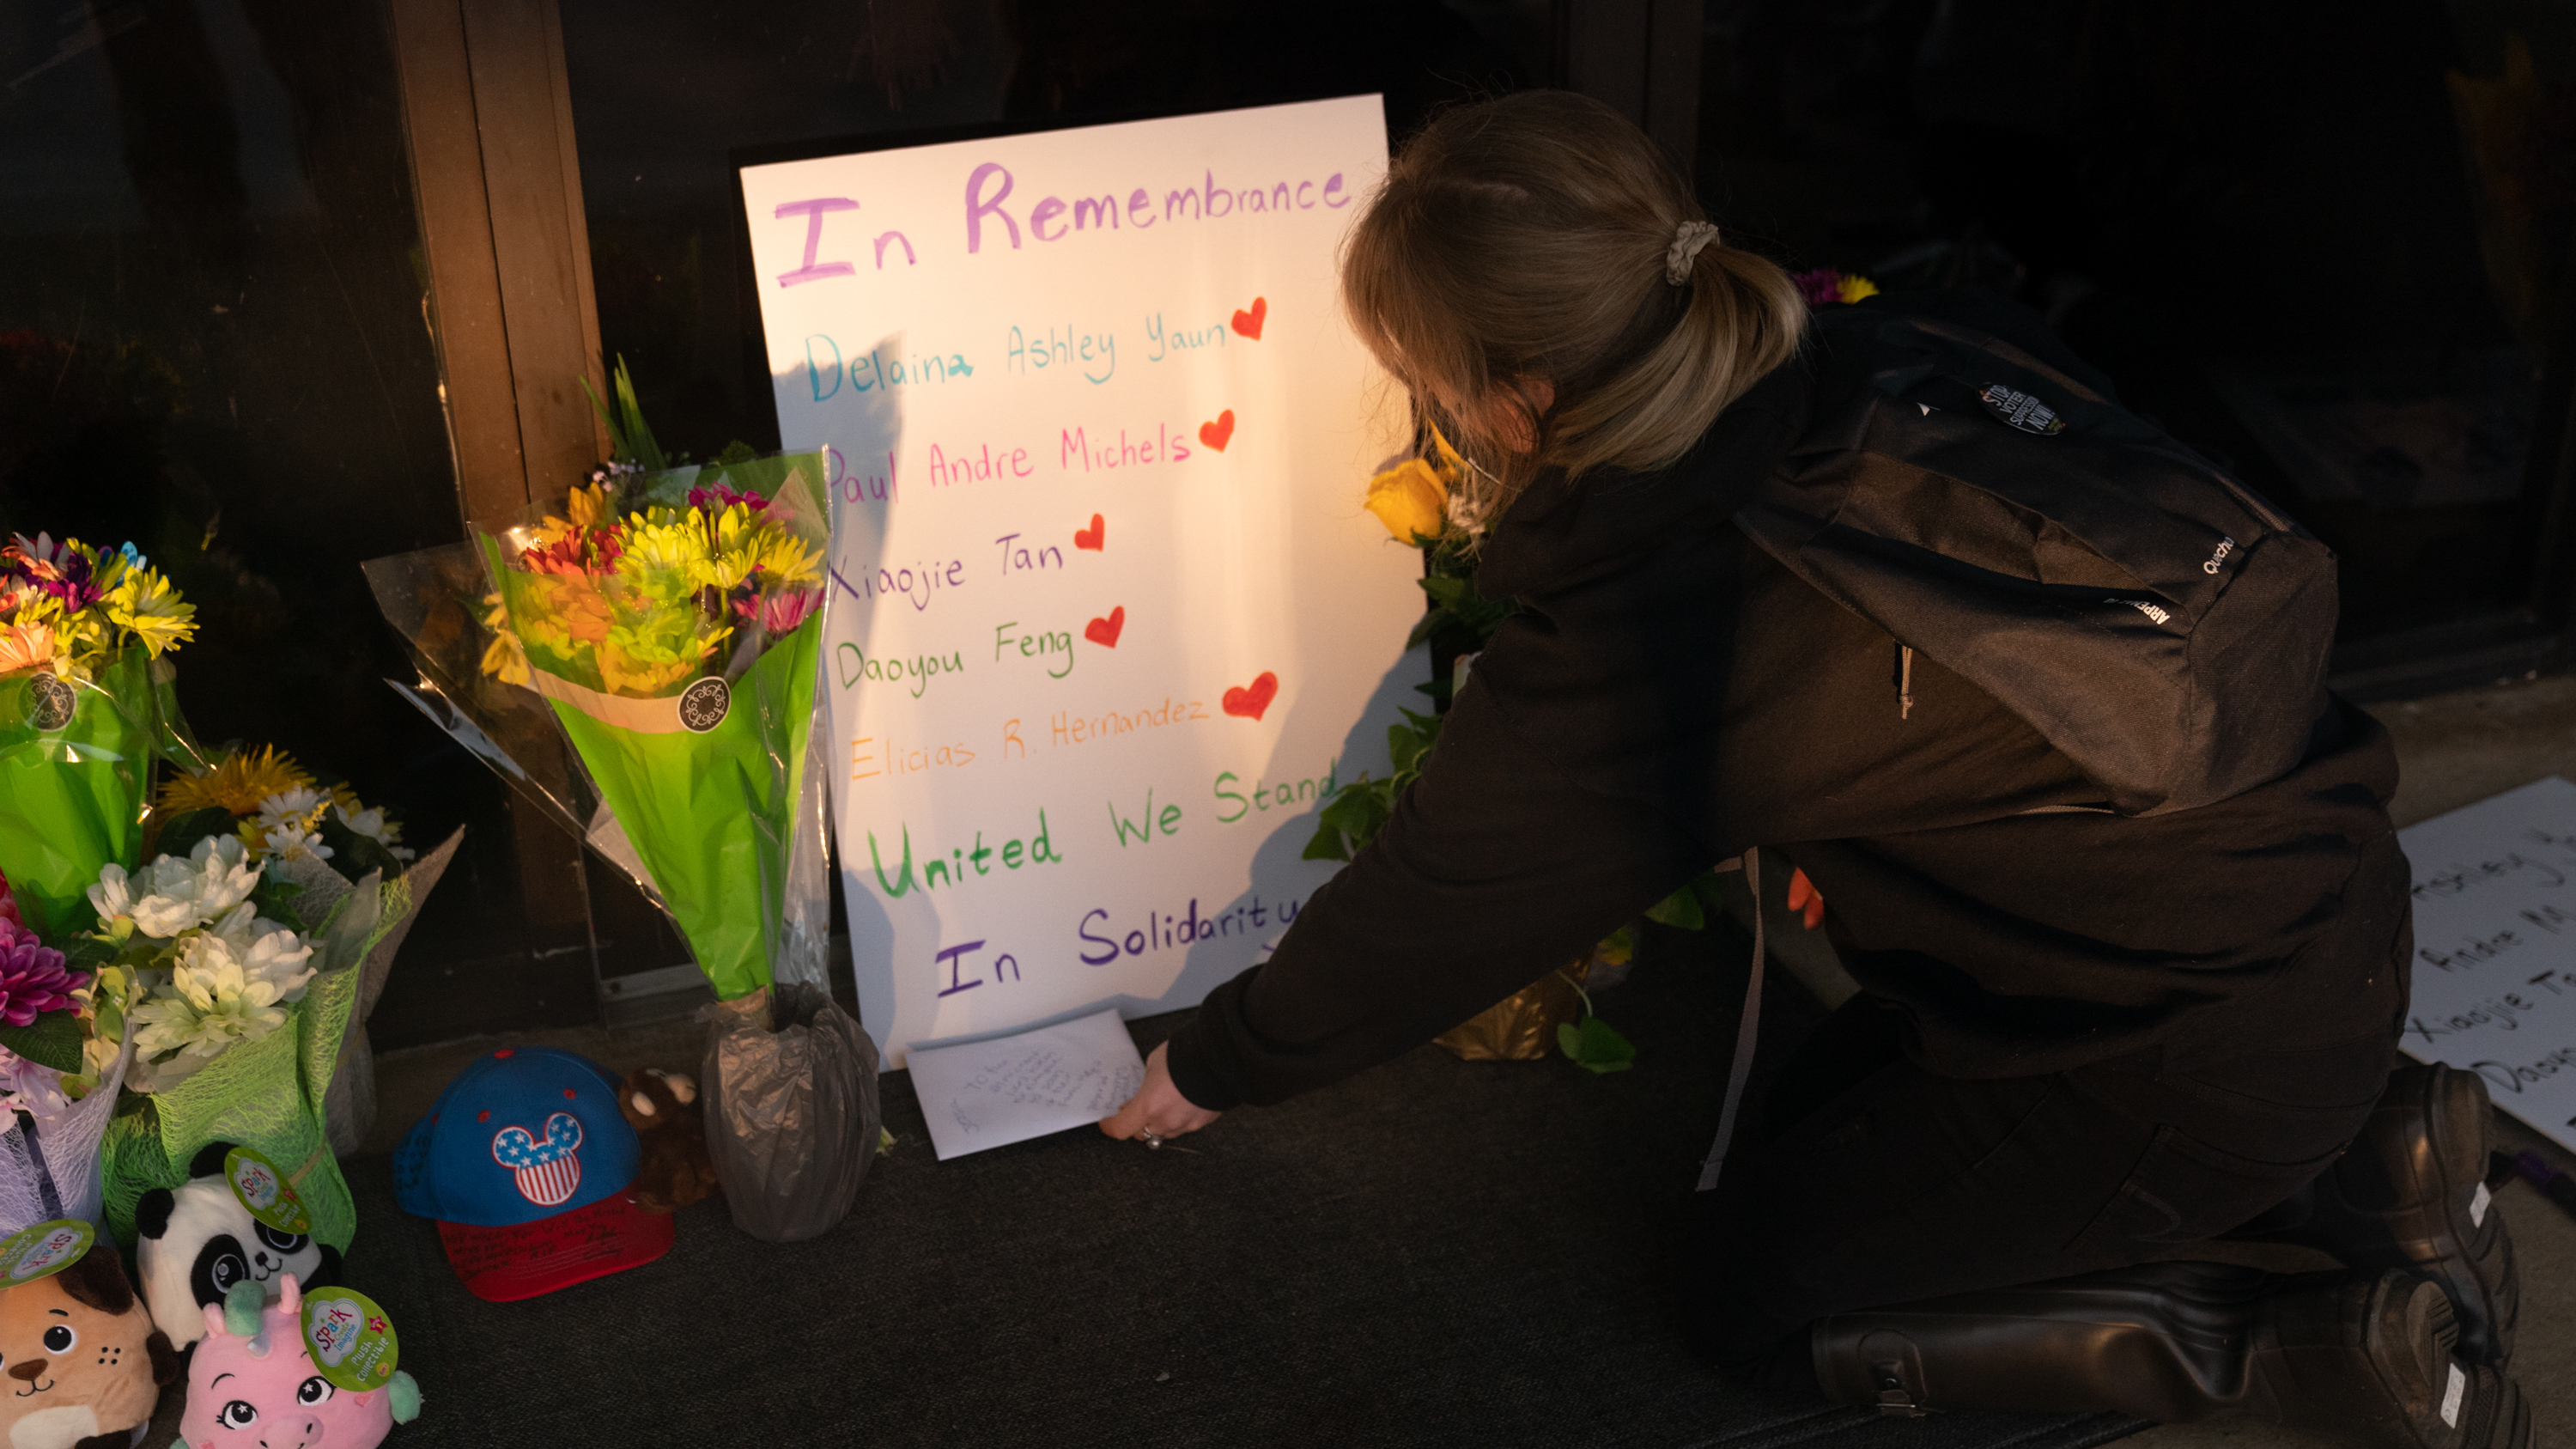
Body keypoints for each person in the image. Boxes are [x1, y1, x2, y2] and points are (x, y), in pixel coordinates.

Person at [1100, 90, 2532, 1447]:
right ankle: (2374, 1163)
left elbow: (1441, 899)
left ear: (1517, 405)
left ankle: (2284, 1341)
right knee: (1799, 1135)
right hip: (2326, 912)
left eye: (1423, 387)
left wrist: (1221, 1060)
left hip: (2172, 1057)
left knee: (1754, 1293)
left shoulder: (1674, 611)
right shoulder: (1912, 342)